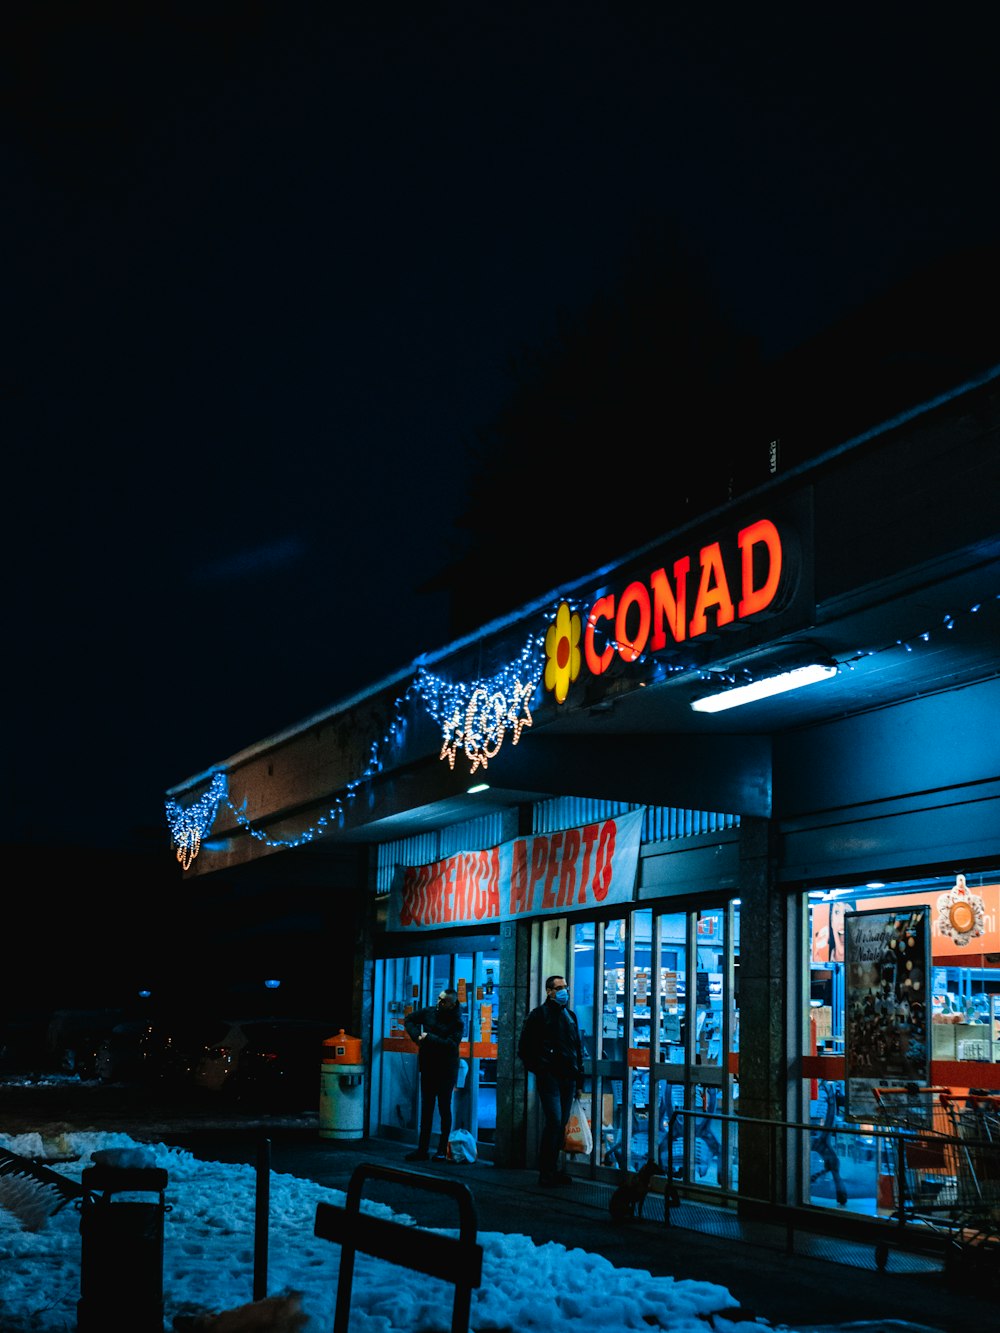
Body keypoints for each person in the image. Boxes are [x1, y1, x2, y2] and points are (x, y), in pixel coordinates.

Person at [517, 974, 585, 1187]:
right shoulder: (539, 1015)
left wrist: (578, 1081)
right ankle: (545, 1171)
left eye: (565, 987)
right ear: (549, 991)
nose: (564, 991)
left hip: (568, 1078)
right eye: (559, 987)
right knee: (554, 1121)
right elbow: (524, 1048)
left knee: (561, 1123)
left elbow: (576, 1049)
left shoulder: (570, 1016)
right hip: (550, 1078)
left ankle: (552, 1169)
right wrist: (541, 1069)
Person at [402, 988, 463, 1162]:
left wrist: (428, 1038)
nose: (439, 1002)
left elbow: (451, 1045)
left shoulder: (457, 1021)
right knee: (426, 1108)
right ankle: (422, 1149)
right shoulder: (430, 1011)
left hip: (445, 1069)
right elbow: (409, 1019)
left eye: (443, 1001)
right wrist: (417, 1037)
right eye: (439, 998)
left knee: (444, 1108)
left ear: (452, 1004)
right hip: (428, 1066)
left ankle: (442, 1150)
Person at [810, 1078, 848, 1206]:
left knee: (833, 1167)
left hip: (822, 1135)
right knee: (833, 1167)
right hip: (822, 1135)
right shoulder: (826, 1091)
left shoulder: (826, 1091)